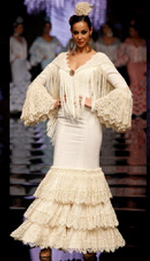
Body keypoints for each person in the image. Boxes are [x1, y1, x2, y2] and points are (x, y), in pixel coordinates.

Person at [10, 2, 132, 261]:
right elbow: (37, 84)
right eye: (75, 32)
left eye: (83, 32)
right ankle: (46, 241)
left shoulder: (100, 60)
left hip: (88, 125)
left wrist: (95, 103)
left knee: (86, 180)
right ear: (71, 33)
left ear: (90, 32)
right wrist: (51, 102)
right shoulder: (60, 59)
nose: (79, 37)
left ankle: (88, 243)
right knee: (59, 180)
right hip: (66, 124)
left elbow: (123, 90)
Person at [116, 19, 146, 116]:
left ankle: (142, 108)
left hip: (142, 65)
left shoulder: (143, 41)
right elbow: (120, 52)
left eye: (132, 30)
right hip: (132, 65)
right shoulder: (127, 41)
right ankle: (132, 108)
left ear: (136, 30)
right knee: (134, 84)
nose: (130, 32)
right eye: (129, 31)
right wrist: (122, 60)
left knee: (142, 85)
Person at [9, 16, 31, 114]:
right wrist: (14, 55)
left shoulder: (23, 39)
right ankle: (16, 107)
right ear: (15, 28)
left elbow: (25, 52)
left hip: (23, 63)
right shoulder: (11, 39)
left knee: (25, 83)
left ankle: (25, 106)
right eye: (19, 27)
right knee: (17, 84)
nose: (20, 29)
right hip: (16, 64)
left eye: (22, 28)